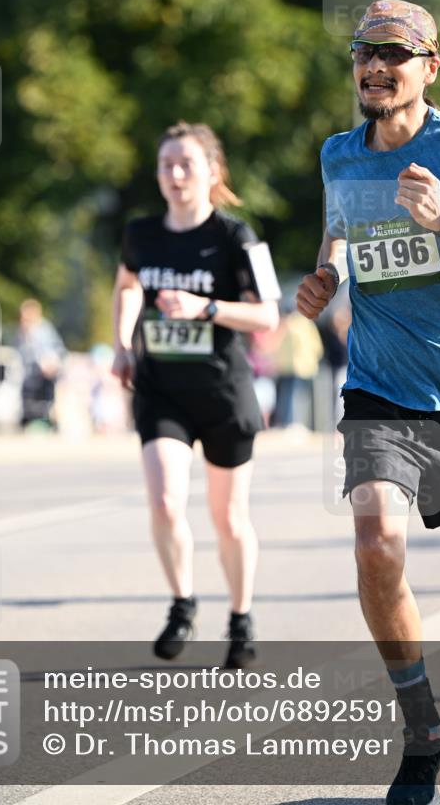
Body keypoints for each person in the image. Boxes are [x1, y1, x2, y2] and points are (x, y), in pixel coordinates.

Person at [297, 0, 440, 805]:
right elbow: (337, 239)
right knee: (374, 539)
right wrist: (322, 278)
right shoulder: (338, 156)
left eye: (394, 52)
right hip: (380, 388)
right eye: (363, 51)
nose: (374, 65)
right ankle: (423, 730)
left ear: (429, 65)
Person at [112, 121, 280, 668]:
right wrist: (121, 343)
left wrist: (204, 306)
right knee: (163, 499)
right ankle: (183, 602)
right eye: (166, 165)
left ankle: (241, 616)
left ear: (212, 171)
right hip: (162, 390)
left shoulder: (237, 238)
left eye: (187, 163)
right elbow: (127, 285)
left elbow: (267, 315)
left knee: (228, 517)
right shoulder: (141, 233)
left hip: (223, 391)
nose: (176, 174)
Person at [15, 298, 66, 430]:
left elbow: (57, 351)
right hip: (28, 374)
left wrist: (50, 361)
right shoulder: (21, 333)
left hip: (44, 372)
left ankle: (47, 420)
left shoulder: (44, 330)